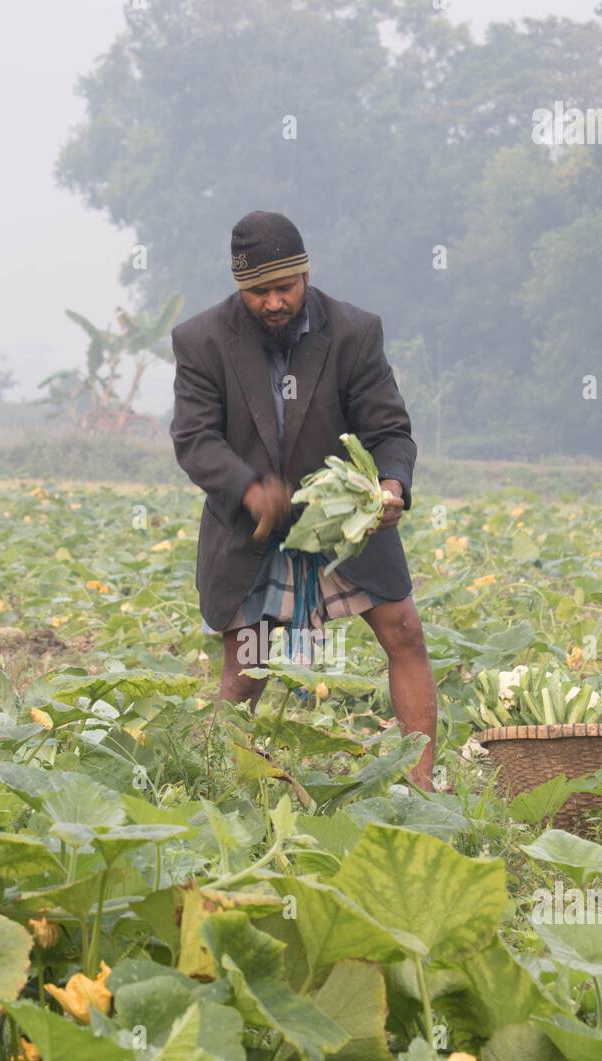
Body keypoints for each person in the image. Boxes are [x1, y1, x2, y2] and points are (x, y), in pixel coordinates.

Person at [169, 209, 436, 790]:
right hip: (256, 529)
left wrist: (391, 485)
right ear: (240, 288)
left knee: (404, 633)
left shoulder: (353, 332)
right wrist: (248, 489)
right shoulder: (202, 341)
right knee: (247, 667)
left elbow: (390, 431)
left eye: (283, 288)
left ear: (305, 274)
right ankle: (219, 783)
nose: (272, 303)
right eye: (257, 292)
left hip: (345, 522)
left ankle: (422, 783)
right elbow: (194, 439)